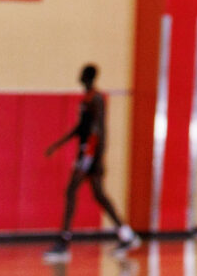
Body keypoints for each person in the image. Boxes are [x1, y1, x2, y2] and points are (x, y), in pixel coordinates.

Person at [45, 64, 138, 259]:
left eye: (83, 74)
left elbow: (99, 130)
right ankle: (126, 234)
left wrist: (94, 157)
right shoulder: (86, 100)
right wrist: (57, 144)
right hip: (87, 152)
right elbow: (80, 128)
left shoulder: (97, 99)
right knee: (99, 195)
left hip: (90, 154)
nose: (80, 76)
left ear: (89, 77)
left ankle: (64, 242)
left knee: (71, 191)